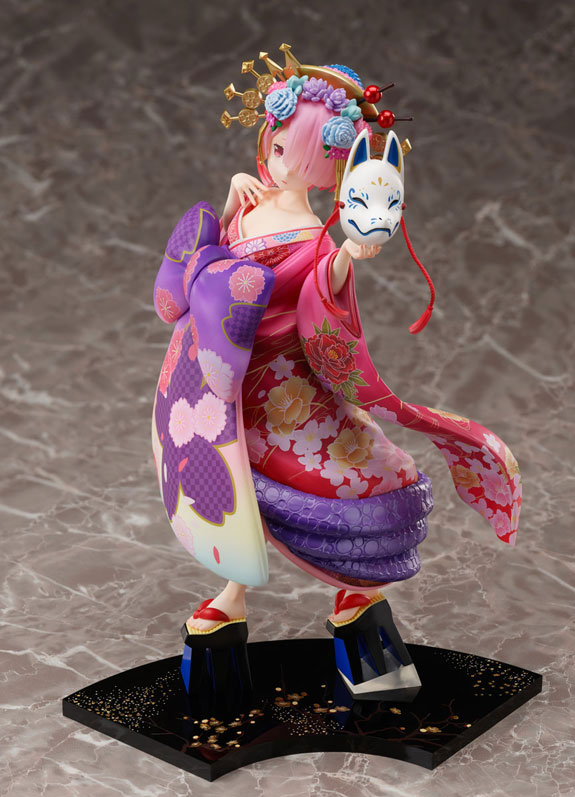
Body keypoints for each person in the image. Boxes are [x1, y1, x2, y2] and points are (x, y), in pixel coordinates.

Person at [151, 50, 521, 695]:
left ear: (332, 171)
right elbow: (196, 273)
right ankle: (250, 601)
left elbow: (322, 287)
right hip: (227, 389)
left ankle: (341, 603)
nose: (281, 164)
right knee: (240, 487)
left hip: (285, 388)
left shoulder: (314, 235)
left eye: (301, 158)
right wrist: (232, 200)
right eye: (276, 147)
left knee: (352, 480)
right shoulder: (248, 205)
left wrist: (350, 250)